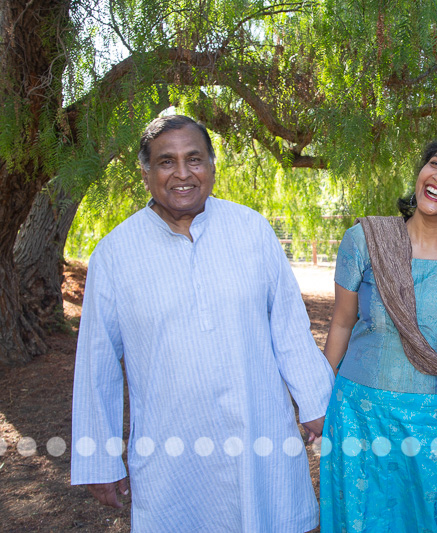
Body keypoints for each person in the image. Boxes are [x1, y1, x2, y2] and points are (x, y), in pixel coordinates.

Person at [71, 115, 334, 532]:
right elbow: (96, 364)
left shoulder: (251, 230)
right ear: (145, 172)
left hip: (259, 430)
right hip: (172, 448)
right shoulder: (115, 253)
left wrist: (318, 404)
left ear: (211, 166)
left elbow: (288, 329)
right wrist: (98, 457)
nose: (182, 173)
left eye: (194, 159)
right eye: (166, 161)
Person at [319, 136, 437, 532]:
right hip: (359, 414)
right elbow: (342, 322)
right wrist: (319, 398)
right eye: (434, 164)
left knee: (436, 521)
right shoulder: (366, 239)